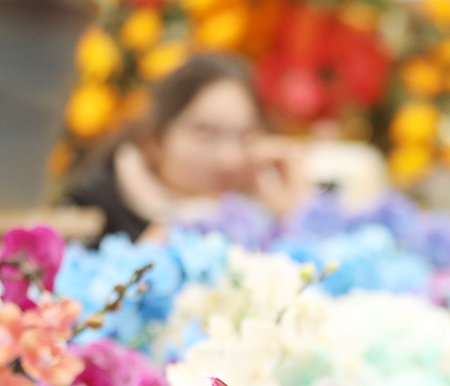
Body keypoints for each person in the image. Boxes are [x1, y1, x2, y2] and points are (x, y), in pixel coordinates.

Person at [67, 53, 309, 244]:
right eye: (205, 135)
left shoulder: (261, 211)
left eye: (246, 136)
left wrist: (288, 217)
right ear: (152, 141)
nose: (229, 159)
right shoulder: (89, 219)